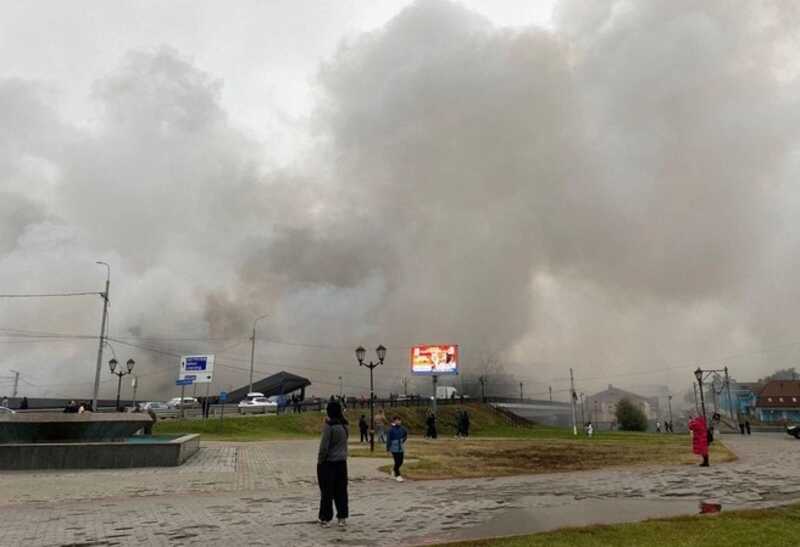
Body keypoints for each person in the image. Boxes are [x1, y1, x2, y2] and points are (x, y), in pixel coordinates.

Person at [317, 401, 349, 528]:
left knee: (327, 492)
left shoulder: (329, 426)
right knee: (341, 491)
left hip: (328, 463)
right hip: (342, 462)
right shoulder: (345, 425)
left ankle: (325, 518)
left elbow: (324, 447)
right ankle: (342, 517)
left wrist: (320, 461)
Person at [386, 415, 408, 482]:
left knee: (401, 461)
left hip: (401, 447)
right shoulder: (391, 429)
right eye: (397, 420)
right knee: (397, 461)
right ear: (394, 421)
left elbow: (405, 434)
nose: (398, 421)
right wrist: (388, 448)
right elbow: (388, 439)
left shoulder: (402, 428)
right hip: (394, 447)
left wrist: (403, 440)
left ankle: (394, 469)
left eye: (399, 420)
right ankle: (398, 475)